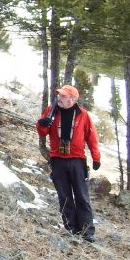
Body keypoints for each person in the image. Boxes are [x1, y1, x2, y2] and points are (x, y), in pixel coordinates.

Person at [36, 84, 101, 242]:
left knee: (82, 196)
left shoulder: (83, 115)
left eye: (63, 96)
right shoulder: (51, 110)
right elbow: (42, 132)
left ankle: (87, 231)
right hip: (57, 160)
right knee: (64, 196)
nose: (59, 97)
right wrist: (41, 124)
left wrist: (96, 157)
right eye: (59, 95)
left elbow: (92, 138)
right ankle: (71, 228)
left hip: (77, 160)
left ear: (72, 99)